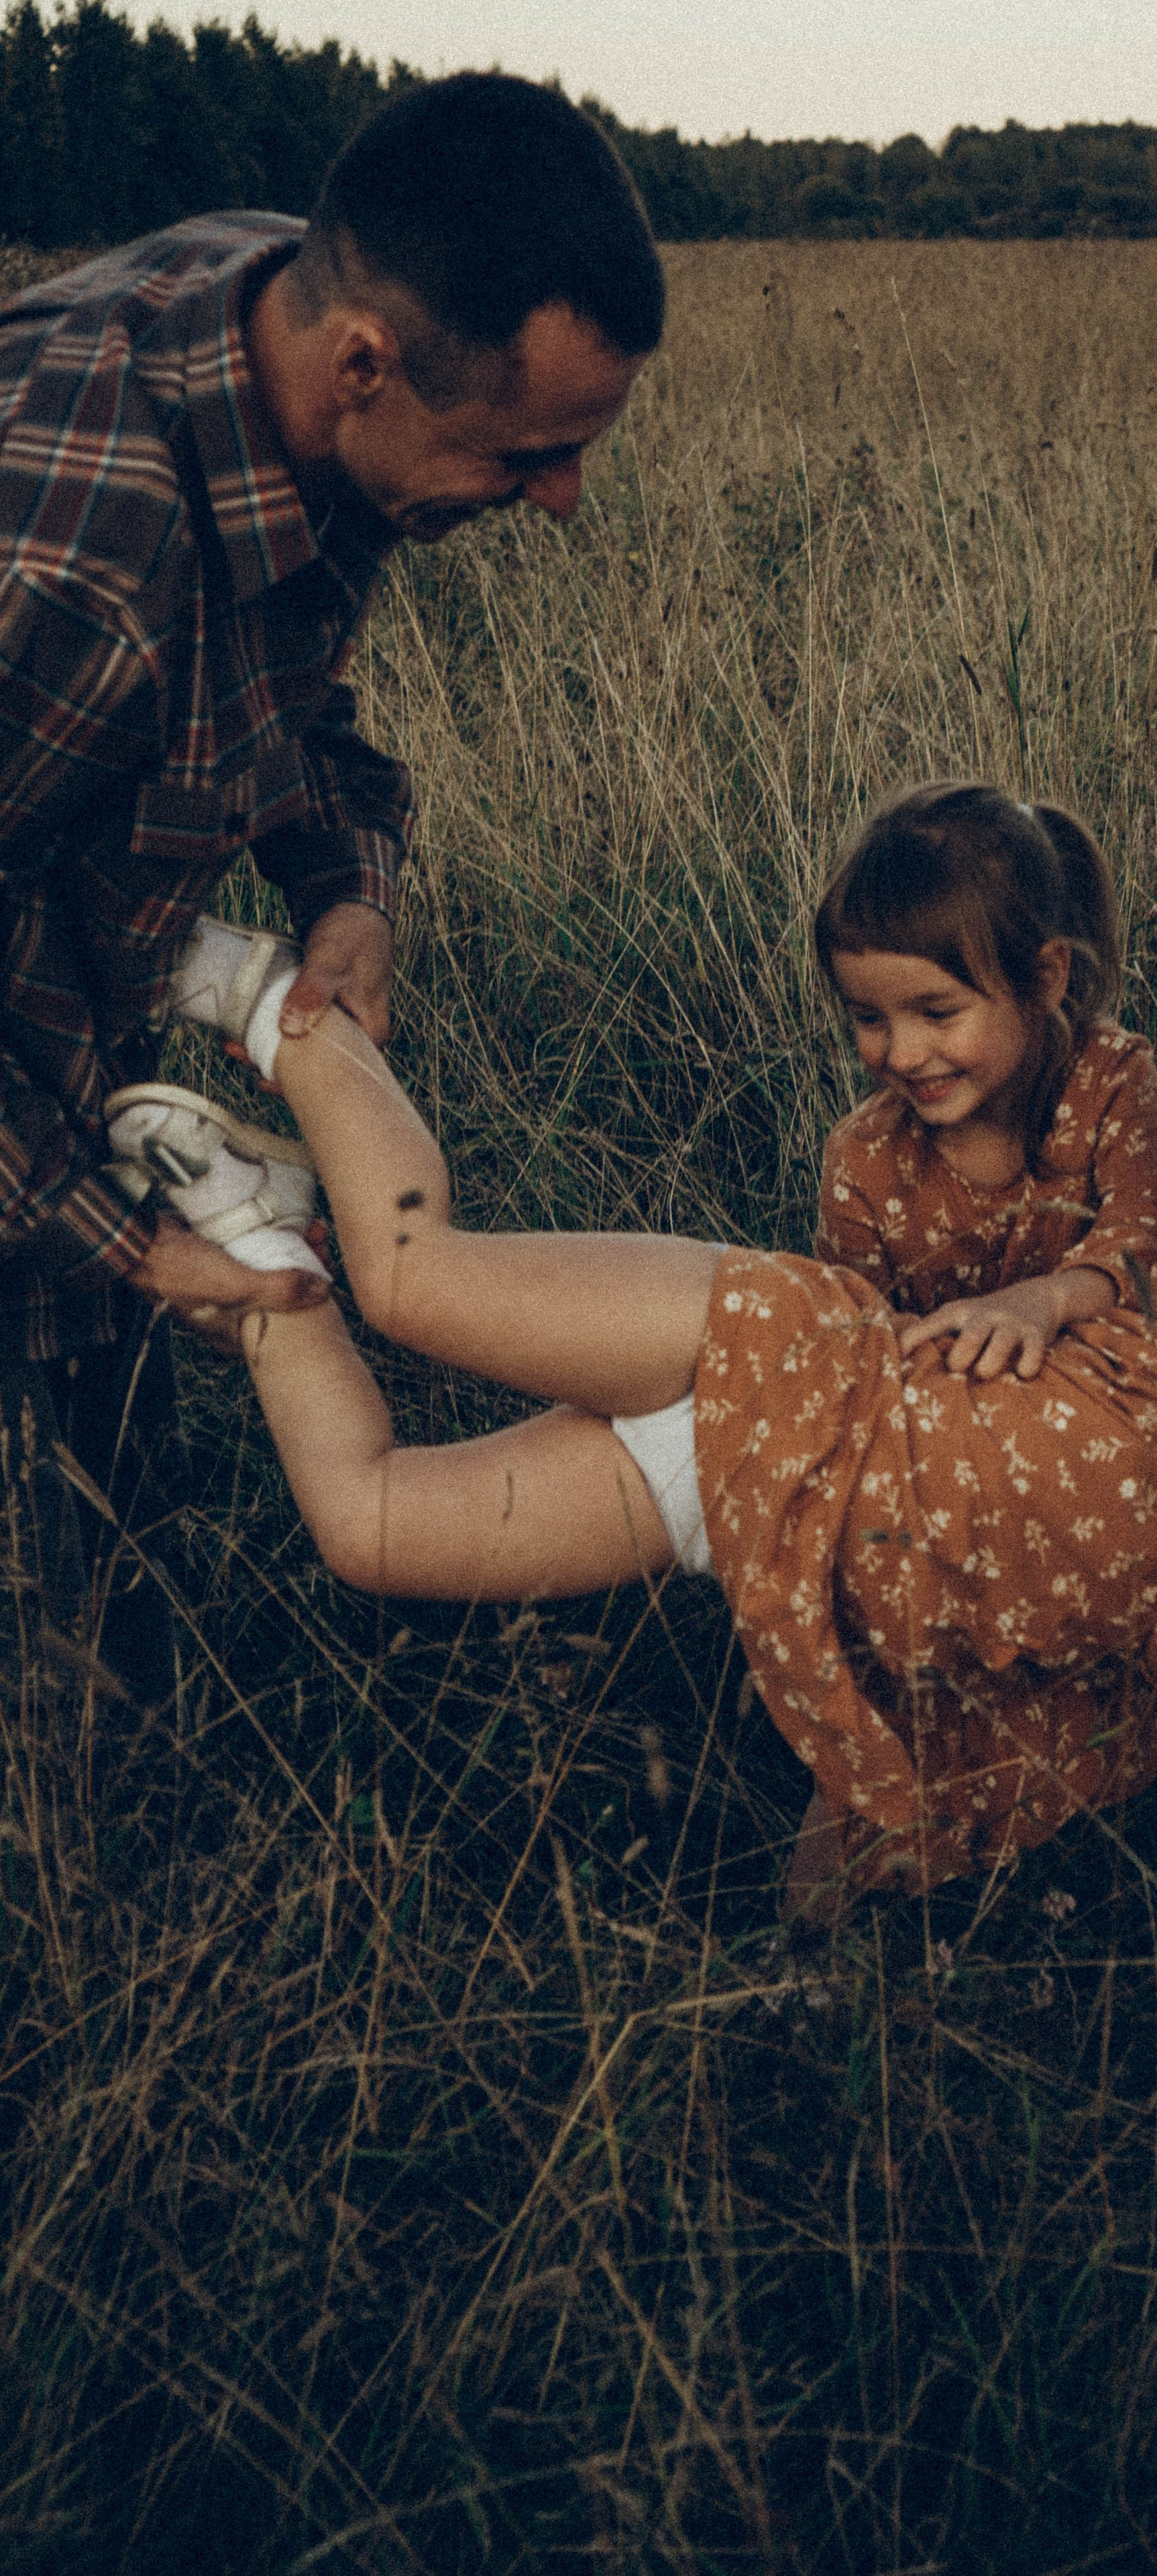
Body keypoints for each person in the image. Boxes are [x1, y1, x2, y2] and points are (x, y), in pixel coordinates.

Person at [103, 825, 1157, 1911]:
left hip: (746, 1515)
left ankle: (258, 1248)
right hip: (788, 1354)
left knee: (372, 1528)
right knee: (412, 1281)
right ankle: (277, 1008)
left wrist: (838, 1893)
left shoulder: (1129, 1695)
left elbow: (932, 1764)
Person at [0, 71, 663, 1709]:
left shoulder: (286, 324)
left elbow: (286, 702)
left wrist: (343, 888)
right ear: (363, 365)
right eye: (532, 451)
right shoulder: (86, 568)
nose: (565, 500)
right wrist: (115, 1242)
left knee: (109, 1606)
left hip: (62, 1040)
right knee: (55, 1670)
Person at [812, 781, 1157, 1383]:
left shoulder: (1108, 1080)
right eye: (869, 1018)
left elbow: (1147, 1240)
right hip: (954, 1425)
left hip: (1113, 1400)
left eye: (938, 1013)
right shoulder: (862, 1160)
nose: (901, 1054)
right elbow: (855, 1333)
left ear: (1045, 979)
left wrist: (1045, 1301)